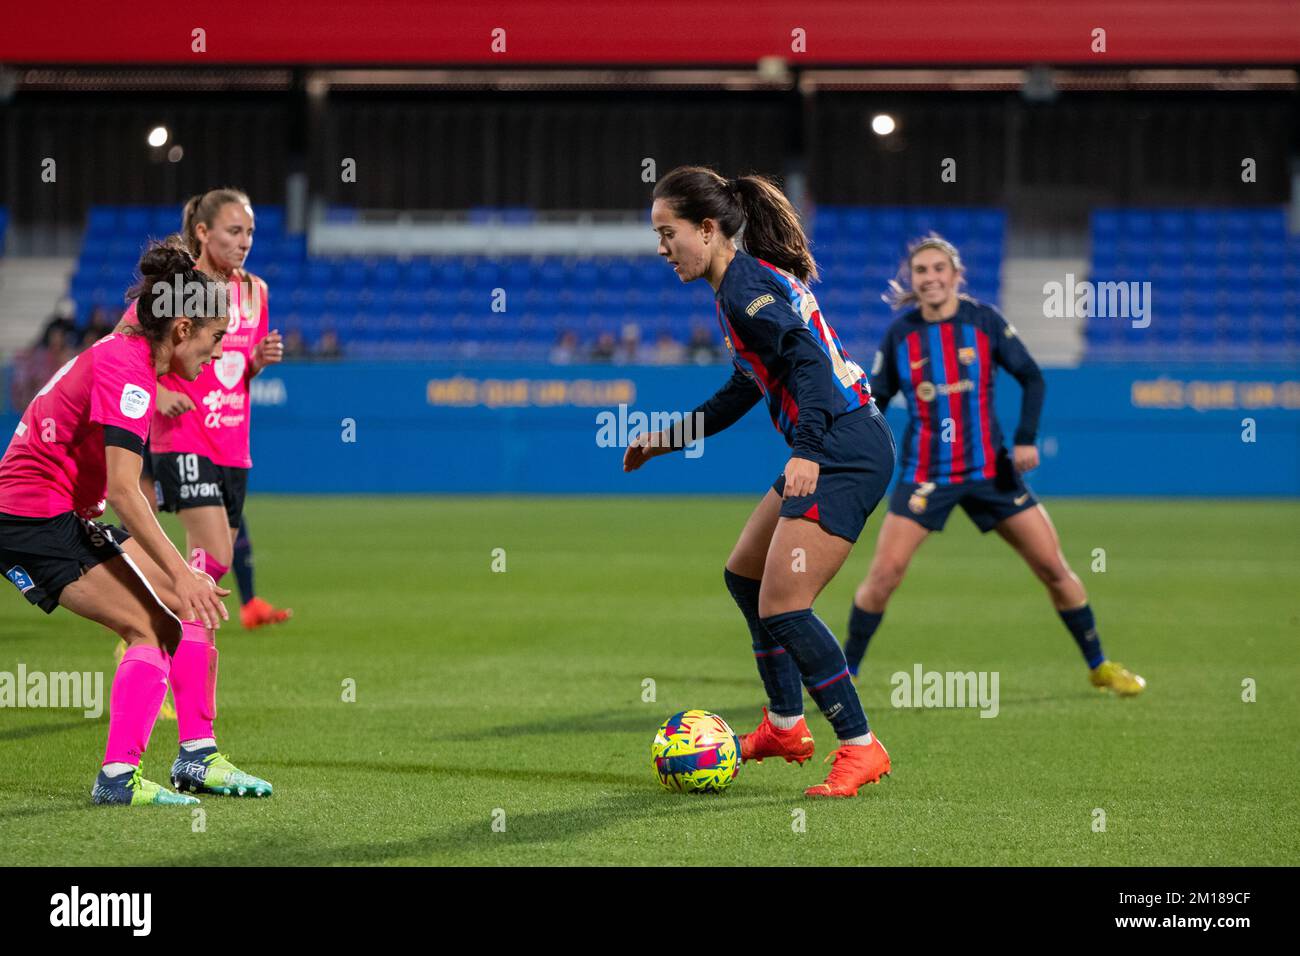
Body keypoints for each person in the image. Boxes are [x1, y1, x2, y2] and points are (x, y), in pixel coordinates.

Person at [625, 166, 896, 798]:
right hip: (835, 439)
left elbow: (805, 358)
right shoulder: (738, 289)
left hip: (843, 447)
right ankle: (784, 726)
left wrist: (807, 449)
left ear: (709, 228)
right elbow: (746, 386)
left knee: (784, 604)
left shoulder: (744, 287)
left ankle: (861, 746)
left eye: (669, 234)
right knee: (744, 574)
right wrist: (668, 438)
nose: (662, 248)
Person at [844, 234, 1145, 696]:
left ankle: (1099, 665)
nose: (930, 278)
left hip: (992, 471)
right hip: (926, 474)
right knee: (884, 576)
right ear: (912, 279)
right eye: (921, 271)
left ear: (956, 275)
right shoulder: (900, 334)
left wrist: (1026, 439)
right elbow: (877, 399)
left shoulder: (984, 322)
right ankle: (846, 673)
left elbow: (1031, 376)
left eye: (938, 269)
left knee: (1053, 567)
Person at [0, 240, 231, 805]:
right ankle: (117, 781)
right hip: (30, 520)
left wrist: (187, 261)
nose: (216, 354)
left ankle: (195, 757)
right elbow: (126, 493)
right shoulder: (131, 374)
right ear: (180, 330)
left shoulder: (139, 332)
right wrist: (181, 573)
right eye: (213, 339)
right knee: (152, 628)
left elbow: (159, 297)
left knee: (175, 617)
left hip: (54, 513)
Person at [119, 188, 291, 634]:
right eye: (234, 231)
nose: (245, 241)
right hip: (183, 436)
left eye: (250, 232)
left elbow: (232, 370)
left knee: (211, 571)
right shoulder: (181, 288)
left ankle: (152, 636)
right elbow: (121, 347)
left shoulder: (256, 291)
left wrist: (256, 363)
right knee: (210, 559)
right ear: (202, 231)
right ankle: (156, 648)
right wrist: (155, 395)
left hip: (233, 445)